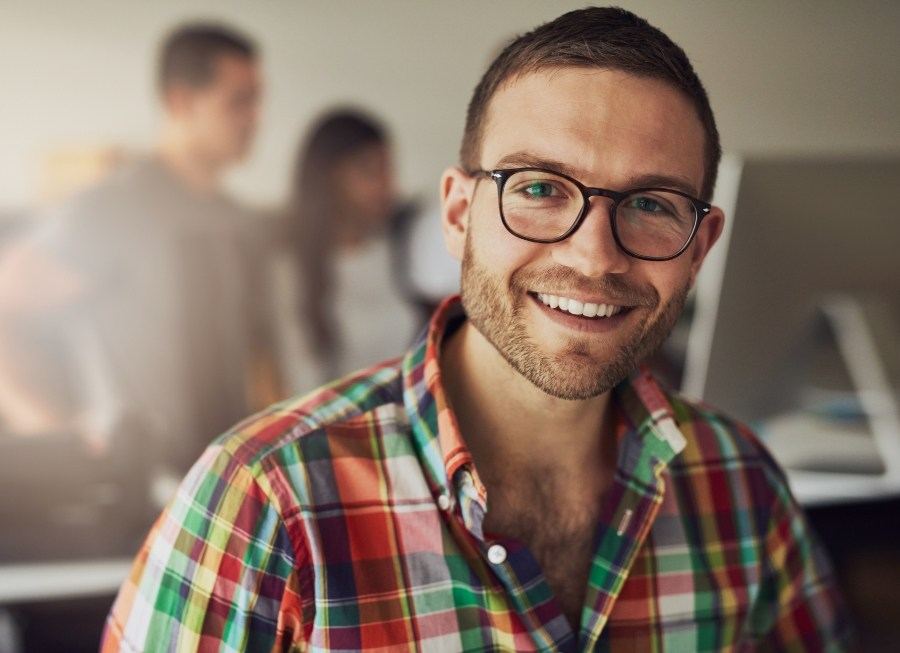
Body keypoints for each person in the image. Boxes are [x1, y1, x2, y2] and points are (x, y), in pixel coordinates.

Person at [102, 8, 853, 651]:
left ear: (700, 246)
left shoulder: (742, 483)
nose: (593, 256)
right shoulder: (263, 499)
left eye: (652, 204)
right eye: (538, 188)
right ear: (458, 215)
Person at [0, 23, 274, 474]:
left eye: (258, 100)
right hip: (138, 487)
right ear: (180, 101)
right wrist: (56, 434)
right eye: (239, 101)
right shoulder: (109, 209)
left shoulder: (238, 221)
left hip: (225, 482)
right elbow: (7, 309)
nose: (255, 118)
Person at [280, 108, 420, 392]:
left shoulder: (403, 246)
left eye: (388, 169)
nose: (387, 185)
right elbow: (298, 379)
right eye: (370, 171)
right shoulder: (291, 270)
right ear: (329, 179)